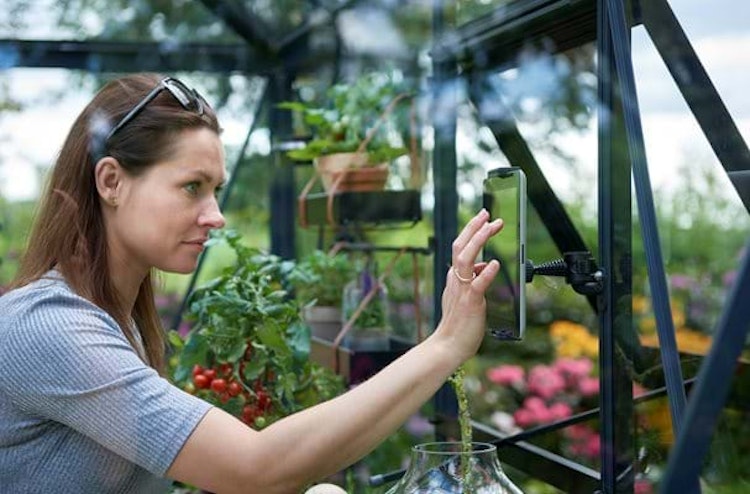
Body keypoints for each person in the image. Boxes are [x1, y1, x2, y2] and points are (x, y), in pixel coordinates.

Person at [0, 73, 503, 494]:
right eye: (191, 187)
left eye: (215, 190)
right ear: (111, 182)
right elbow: (254, 467)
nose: (215, 216)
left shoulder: (118, 321)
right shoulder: (50, 326)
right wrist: (445, 345)